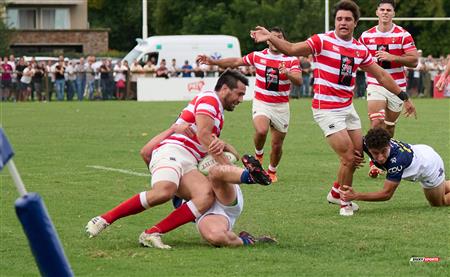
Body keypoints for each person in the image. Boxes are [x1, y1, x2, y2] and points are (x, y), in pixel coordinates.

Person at [250, 0, 417, 216]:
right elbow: (291, 48)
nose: (343, 23)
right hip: (325, 108)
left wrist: (404, 96)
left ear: (355, 23)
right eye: (339, 19)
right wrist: (270, 37)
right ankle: (345, 203)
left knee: (358, 154)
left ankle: (335, 192)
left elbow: (382, 75)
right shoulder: (322, 41)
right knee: (349, 157)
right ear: (335, 21)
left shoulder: (359, 49)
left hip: (347, 108)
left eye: (348, 19)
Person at [86, 70, 271, 248]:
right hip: (173, 151)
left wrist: (224, 148)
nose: (240, 100)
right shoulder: (210, 100)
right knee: (164, 191)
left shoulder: (217, 111)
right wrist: (226, 163)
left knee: (204, 195)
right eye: (239, 94)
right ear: (224, 89)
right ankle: (104, 219)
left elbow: (210, 141)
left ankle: (152, 233)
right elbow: (205, 137)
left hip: (189, 162)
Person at [138, 126, 274, 248]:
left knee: (215, 172)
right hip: (207, 212)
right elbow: (145, 153)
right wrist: (172, 129)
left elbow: (234, 156)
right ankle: (247, 240)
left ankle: (251, 176)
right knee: (215, 237)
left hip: (224, 195)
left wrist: (224, 145)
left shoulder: (201, 139)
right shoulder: (166, 162)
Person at [197, 27, 302, 183]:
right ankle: (258, 156)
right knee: (261, 130)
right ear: (267, 40)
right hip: (262, 102)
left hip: (281, 106)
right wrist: (213, 61)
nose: (275, 40)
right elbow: (235, 62)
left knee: (277, 145)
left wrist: (287, 73)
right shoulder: (258, 56)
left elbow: (299, 81)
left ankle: (272, 171)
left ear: (283, 40)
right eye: (272, 37)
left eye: (279, 37)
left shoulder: (291, 60)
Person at [358, 0, 419, 178]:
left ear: (393, 13)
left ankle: (385, 155)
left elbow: (414, 61)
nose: (385, 12)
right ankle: (374, 162)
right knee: (376, 122)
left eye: (388, 10)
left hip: (397, 86)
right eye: (382, 9)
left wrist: (392, 57)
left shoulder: (402, 35)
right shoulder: (366, 36)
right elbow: (359, 58)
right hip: (376, 84)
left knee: (388, 130)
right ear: (377, 12)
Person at [341, 128, 450, 206]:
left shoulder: (396, 161)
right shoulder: (365, 142)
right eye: (375, 153)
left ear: (388, 145)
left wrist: (356, 196)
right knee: (442, 187)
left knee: (439, 203)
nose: (380, 157)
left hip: (429, 166)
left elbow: (386, 194)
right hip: (421, 151)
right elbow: (348, 141)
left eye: (383, 151)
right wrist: (347, 155)